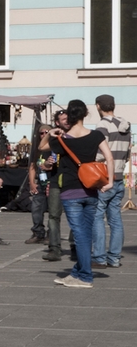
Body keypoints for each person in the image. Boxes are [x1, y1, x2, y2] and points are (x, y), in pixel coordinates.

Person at [49, 99, 115, 288]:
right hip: (91, 190)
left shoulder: (62, 138)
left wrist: (51, 134)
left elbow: (41, 148)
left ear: (69, 115)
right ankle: (77, 272)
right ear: (86, 114)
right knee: (85, 233)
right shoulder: (96, 135)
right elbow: (109, 158)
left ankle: (85, 276)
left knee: (80, 235)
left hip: (71, 192)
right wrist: (109, 181)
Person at [91, 94, 129, 268]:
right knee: (115, 219)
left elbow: (101, 153)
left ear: (98, 106)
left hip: (105, 177)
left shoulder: (102, 125)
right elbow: (127, 153)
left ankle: (99, 256)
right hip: (120, 176)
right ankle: (114, 257)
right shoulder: (125, 125)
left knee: (97, 217)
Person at [40, 110, 69, 262]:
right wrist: (50, 132)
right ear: (57, 122)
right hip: (56, 180)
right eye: (63, 119)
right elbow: (41, 146)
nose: (66, 121)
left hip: (72, 182)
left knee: (75, 217)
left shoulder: (74, 136)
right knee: (53, 215)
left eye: (68, 118)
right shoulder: (56, 139)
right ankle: (54, 248)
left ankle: (75, 245)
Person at [25, 124, 52, 244]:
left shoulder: (54, 147)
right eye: (42, 133)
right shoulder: (37, 149)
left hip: (52, 182)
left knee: (53, 210)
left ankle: (51, 234)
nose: (44, 135)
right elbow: (32, 166)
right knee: (36, 208)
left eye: (47, 132)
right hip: (40, 182)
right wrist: (31, 183)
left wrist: (47, 165)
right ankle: (38, 232)